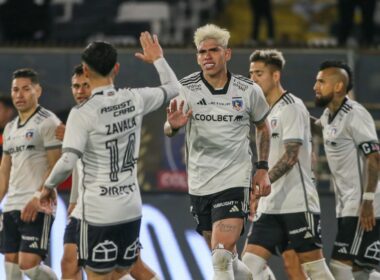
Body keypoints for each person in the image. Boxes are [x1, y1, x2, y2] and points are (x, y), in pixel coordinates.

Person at [40, 32, 180, 280]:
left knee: (110, 275)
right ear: (116, 68)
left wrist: (47, 187)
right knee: (92, 267)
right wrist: (158, 59)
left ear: (85, 68)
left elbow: (67, 163)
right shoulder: (134, 98)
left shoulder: (83, 113)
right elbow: (173, 88)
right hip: (130, 208)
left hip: (98, 212)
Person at [164, 23, 272, 279]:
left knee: (221, 257)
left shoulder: (248, 90)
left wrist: (263, 169)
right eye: (202, 52)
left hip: (234, 180)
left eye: (214, 50)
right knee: (226, 258)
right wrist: (173, 126)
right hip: (200, 184)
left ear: (227, 54)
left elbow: (263, 128)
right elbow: (168, 128)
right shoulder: (186, 88)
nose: (207, 56)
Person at [59, 64, 160, 280]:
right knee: (69, 261)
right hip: (86, 206)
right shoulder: (78, 116)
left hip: (111, 206)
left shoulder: (111, 111)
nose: (79, 91)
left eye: (85, 85)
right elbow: (81, 162)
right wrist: (74, 199)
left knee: (132, 268)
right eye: (75, 86)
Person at [242, 49, 334, 280]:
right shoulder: (261, 112)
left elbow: (291, 156)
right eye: (251, 73)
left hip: (297, 205)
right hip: (270, 207)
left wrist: (262, 183)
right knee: (247, 269)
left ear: (275, 76)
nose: (252, 79)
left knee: (314, 270)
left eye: (259, 73)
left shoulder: (292, 106)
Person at [314, 60, 380, 279]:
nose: (315, 86)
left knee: (339, 267)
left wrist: (368, 201)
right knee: (359, 271)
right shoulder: (327, 116)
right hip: (346, 206)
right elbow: (317, 128)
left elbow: (374, 157)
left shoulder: (356, 114)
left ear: (338, 87)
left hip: (363, 207)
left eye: (321, 81)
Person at [0, 68, 61, 280]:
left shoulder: (48, 121)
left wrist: (39, 196)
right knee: (11, 270)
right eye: (15, 90)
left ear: (38, 91)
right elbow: (4, 170)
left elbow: (57, 165)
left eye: (26, 89)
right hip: (12, 206)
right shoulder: (9, 128)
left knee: (29, 266)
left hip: (37, 205)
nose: (19, 95)